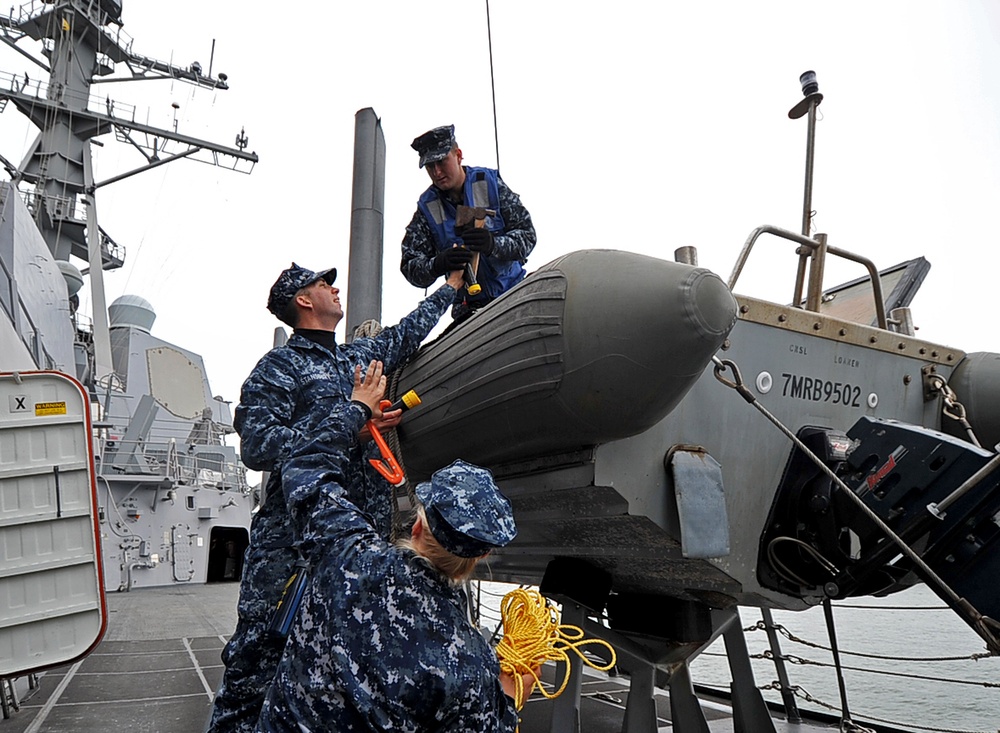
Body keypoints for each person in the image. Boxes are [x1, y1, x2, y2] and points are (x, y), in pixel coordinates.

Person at [206, 263, 465, 733]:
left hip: (356, 540)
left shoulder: (357, 360)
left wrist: (449, 289)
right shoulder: (279, 368)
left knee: (339, 655)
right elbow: (260, 447)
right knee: (256, 660)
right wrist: (353, 414)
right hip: (293, 545)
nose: (335, 288)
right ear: (303, 301)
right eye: (324, 285)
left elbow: (407, 333)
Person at [257, 360, 532, 732]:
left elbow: (304, 468)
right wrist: (512, 694)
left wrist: (356, 410)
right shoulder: (470, 662)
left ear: (418, 525)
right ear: (481, 554)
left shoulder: (345, 552)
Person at [401, 124, 537, 321]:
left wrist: (493, 244)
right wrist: (438, 264)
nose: (437, 172)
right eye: (430, 166)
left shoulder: (490, 184)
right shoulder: (427, 209)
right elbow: (410, 267)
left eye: (442, 161)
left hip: (512, 294)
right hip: (468, 313)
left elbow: (527, 236)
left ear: (458, 155)